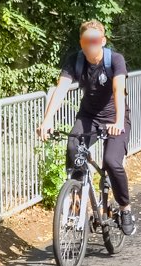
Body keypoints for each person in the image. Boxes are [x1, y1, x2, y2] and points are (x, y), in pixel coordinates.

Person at [37, 20, 135, 235]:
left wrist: (118, 122)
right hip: (88, 116)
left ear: (103, 41)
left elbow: (119, 89)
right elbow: (60, 89)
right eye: (86, 41)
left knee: (111, 162)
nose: (91, 45)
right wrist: (47, 120)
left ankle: (125, 208)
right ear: (81, 42)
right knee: (73, 149)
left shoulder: (115, 60)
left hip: (115, 117)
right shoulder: (76, 60)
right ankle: (76, 204)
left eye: (95, 40)